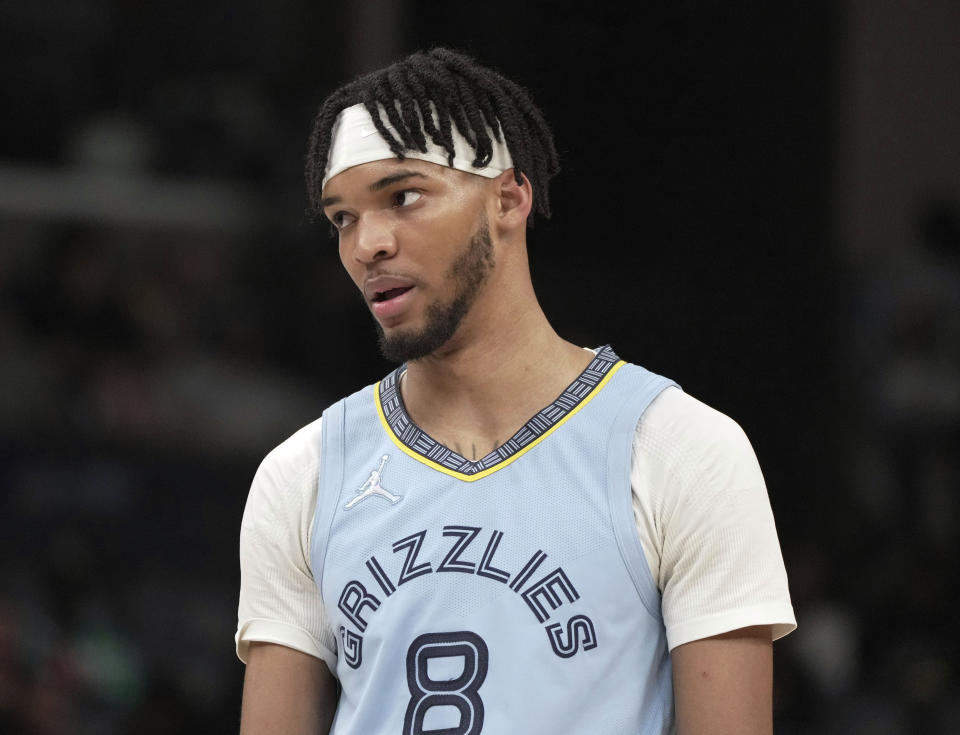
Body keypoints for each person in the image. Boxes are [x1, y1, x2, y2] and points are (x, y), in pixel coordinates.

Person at [236, 48, 796, 735]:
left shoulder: (683, 449)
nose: (367, 244)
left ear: (509, 198)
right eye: (343, 218)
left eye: (403, 196)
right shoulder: (304, 475)